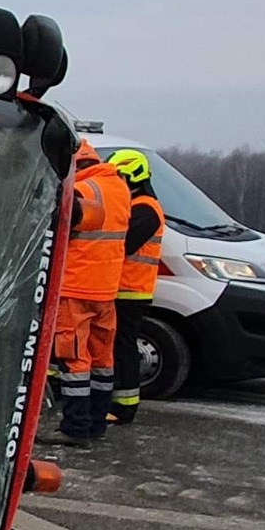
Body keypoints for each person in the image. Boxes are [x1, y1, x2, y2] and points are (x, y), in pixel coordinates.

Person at [54, 139, 131, 446]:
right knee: (102, 359)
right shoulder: (120, 190)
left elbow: (61, 225)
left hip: (76, 286)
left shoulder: (82, 191)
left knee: (74, 360)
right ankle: (96, 423)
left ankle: (75, 426)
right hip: (106, 289)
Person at [106, 148, 166, 425]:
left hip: (130, 290)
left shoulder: (145, 209)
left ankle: (124, 407)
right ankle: (116, 401)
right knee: (115, 345)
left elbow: (124, 244)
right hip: (122, 288)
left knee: (123, 346)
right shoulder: (139, 206)